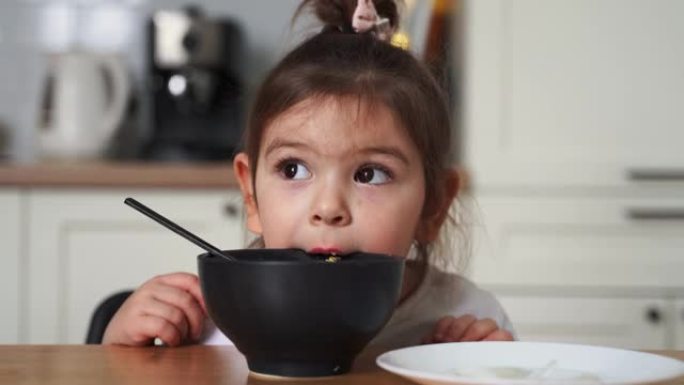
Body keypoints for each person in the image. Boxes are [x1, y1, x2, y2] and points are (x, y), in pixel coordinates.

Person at [102, 0, 515, 350]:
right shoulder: (212, 320)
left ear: (434, 206)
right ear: (251, 195)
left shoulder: (466, 322)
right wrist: (119, 349)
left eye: (370, 174)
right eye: (293, 169)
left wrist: (478, 369)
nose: (328, 209)